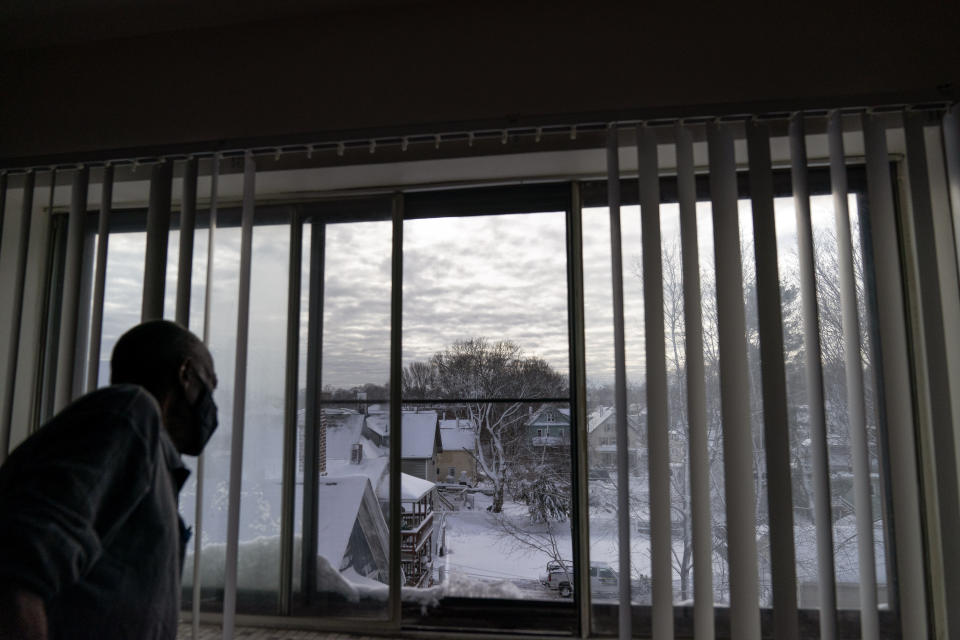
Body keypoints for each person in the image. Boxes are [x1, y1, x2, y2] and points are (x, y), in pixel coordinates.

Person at [0, 320, 218, 640]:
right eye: (209, 385)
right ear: (185, 374)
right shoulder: (130, 413)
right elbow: (17, 565)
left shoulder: (148, 466)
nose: (211, 403)